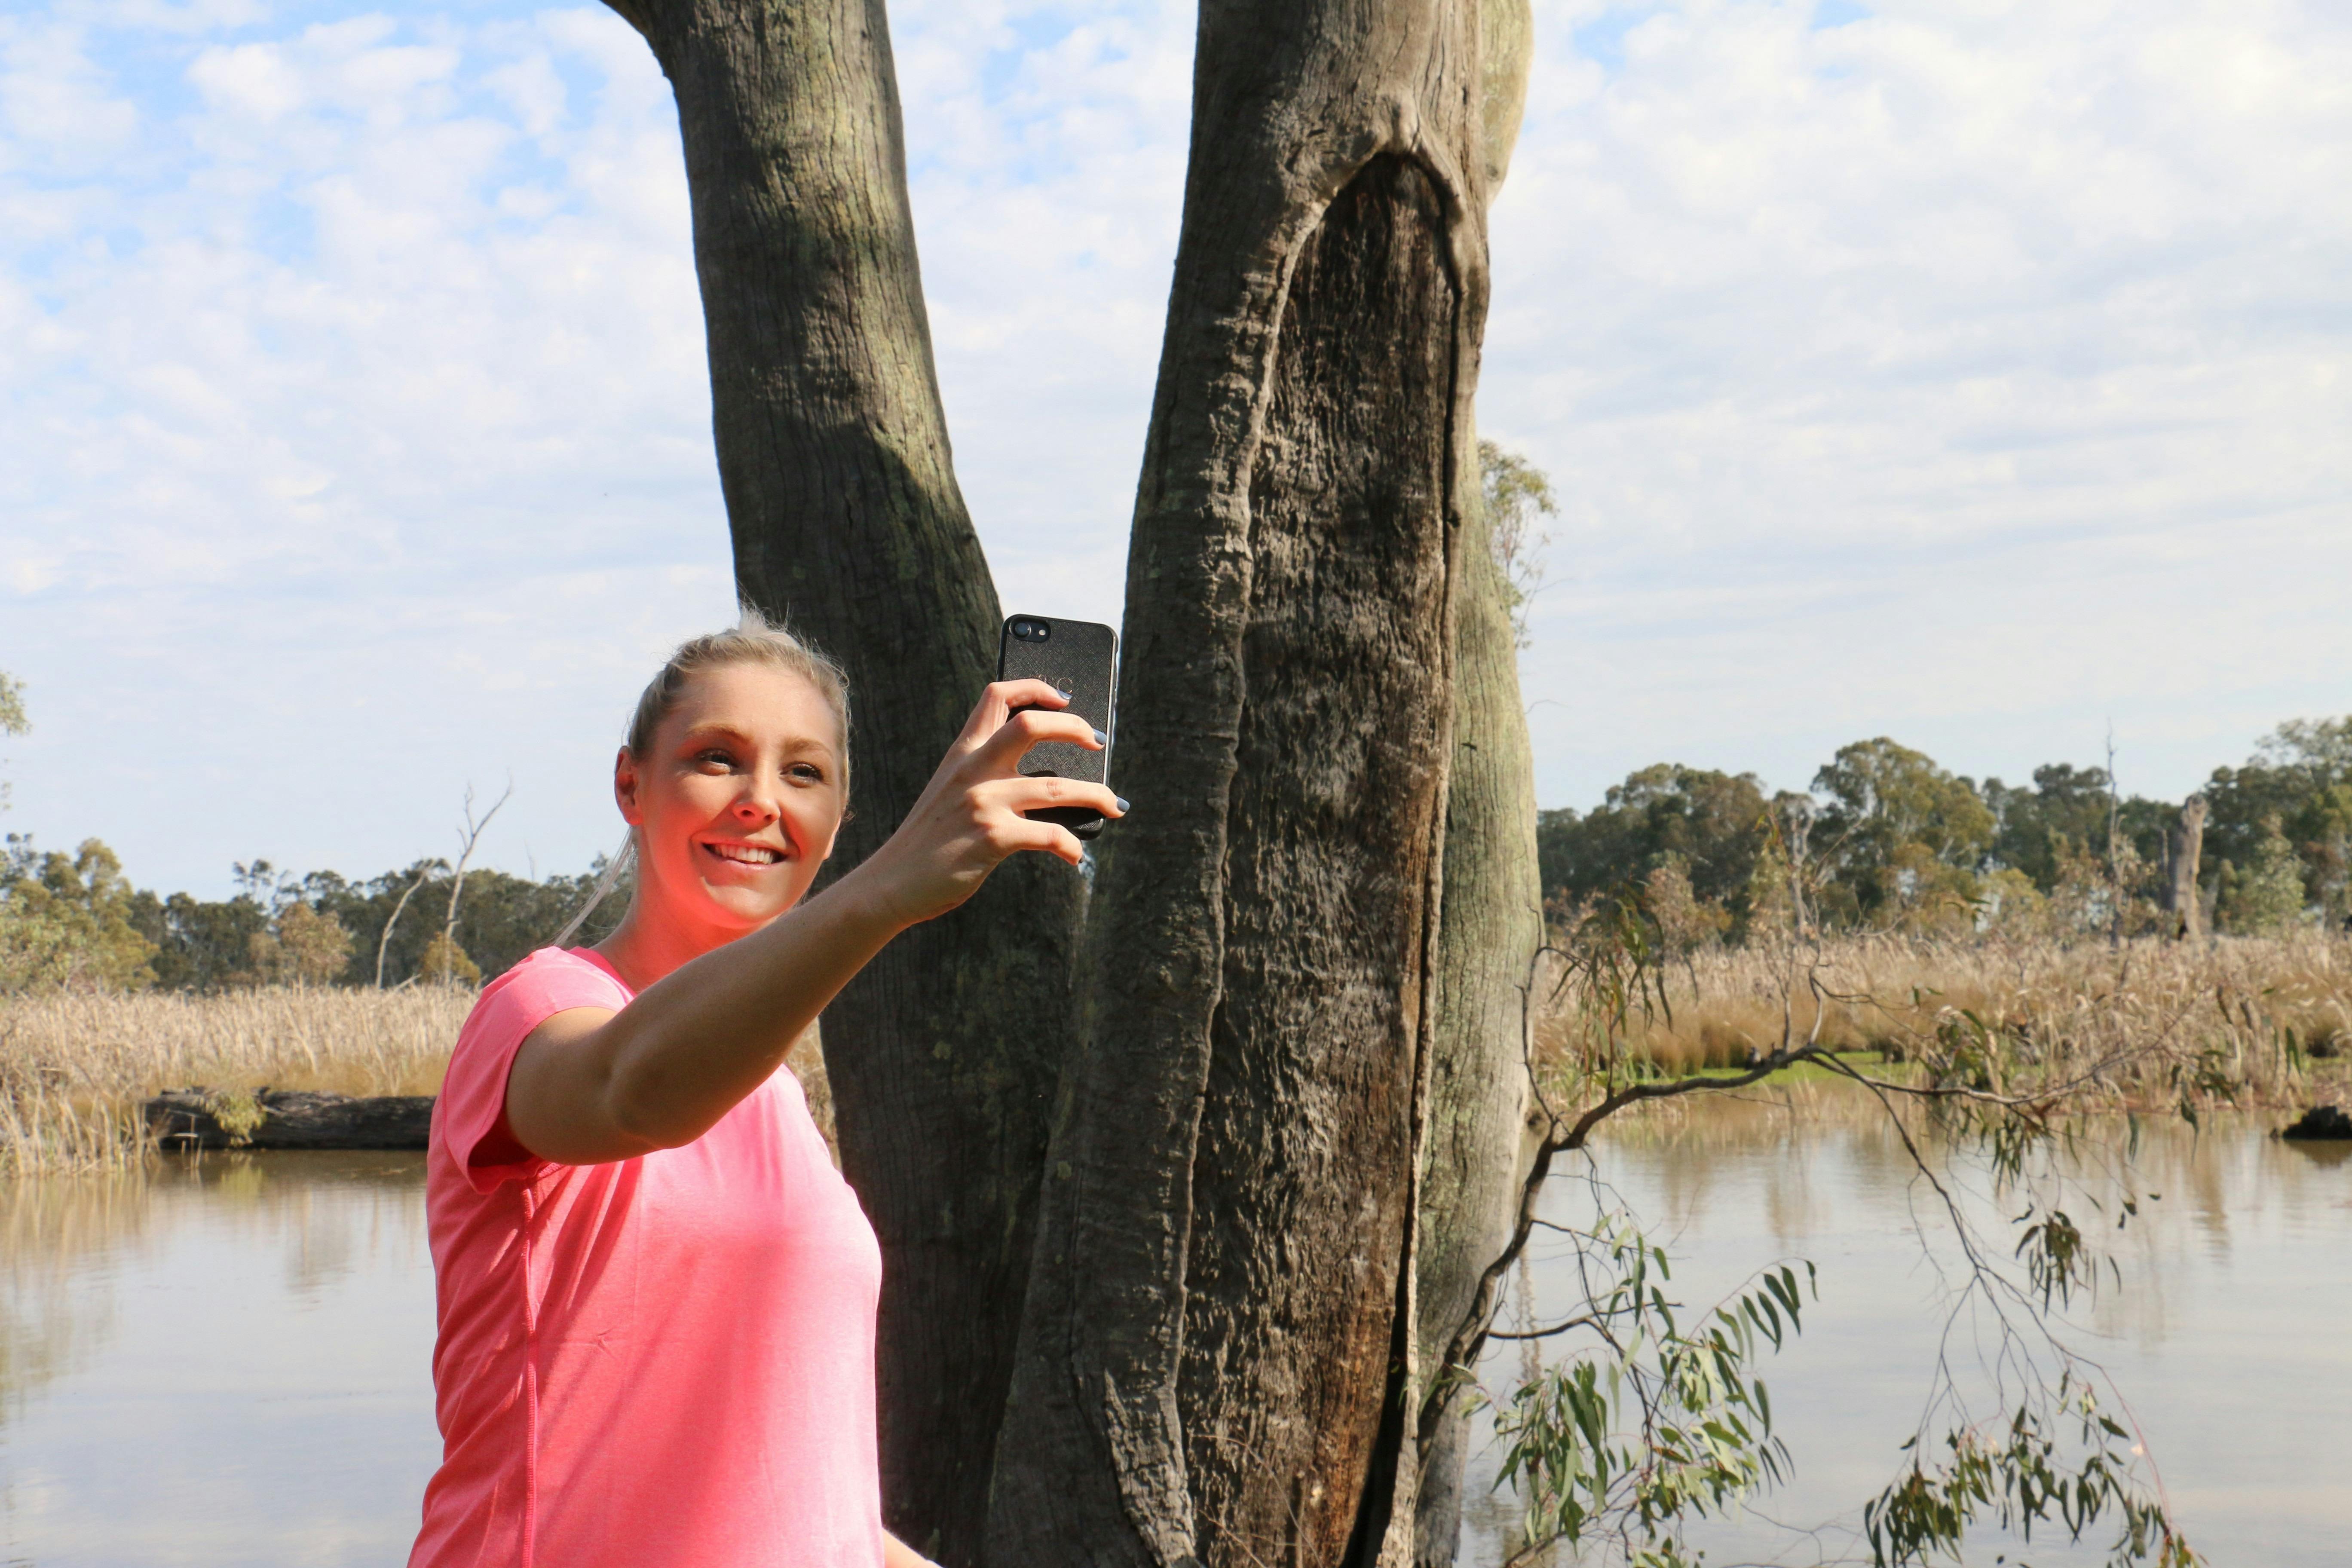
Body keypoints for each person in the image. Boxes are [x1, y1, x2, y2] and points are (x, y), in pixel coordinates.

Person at [407, 611, 1123, 1568]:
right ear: (632, 785)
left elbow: (800, 1495)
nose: (758, 800)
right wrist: (889, 886)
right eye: (716, 759)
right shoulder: (539, 1009)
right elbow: (631, 1091)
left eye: (803, 773)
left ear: (836, 824)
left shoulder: (775, 1099)